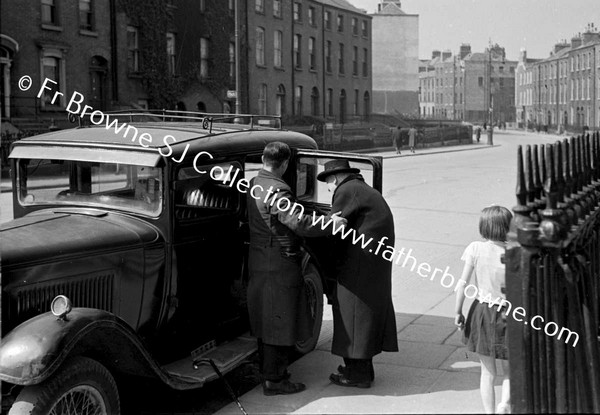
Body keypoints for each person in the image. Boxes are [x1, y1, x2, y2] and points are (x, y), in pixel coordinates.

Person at [247, 142, 346, 396]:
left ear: (263, 158)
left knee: (267, 319)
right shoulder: (278, 190)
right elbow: (299, 223)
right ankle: (275, 380)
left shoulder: (254, 184)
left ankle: (269, 374)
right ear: (285, 164)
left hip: (260, 259)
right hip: (280, 262)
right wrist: (330, 223)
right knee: (281, 319)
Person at [317, 159, 398, 388]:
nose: (329, 189)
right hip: (372, 263)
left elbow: (333, 229)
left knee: (353, 318)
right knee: (363, 318)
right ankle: (361, 369)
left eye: (328, 184)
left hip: (359, 265)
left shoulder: (346, 190)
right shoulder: (361, 189)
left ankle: (357, 375)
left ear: (334, 178)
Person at [455, 206, 512, 414]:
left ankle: (489, 412)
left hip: (483, 312)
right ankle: (505, 404)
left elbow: (462, 284)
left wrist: (458, 311)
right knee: (509, 370)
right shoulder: (514, 252)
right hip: (509, 312)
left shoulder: (475, 249)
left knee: (487, 372)